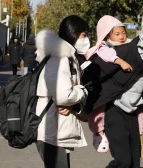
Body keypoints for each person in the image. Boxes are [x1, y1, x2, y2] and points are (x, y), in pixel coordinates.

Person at [83, 20, 143, 168]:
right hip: (114, 108)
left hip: (134, 111)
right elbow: (93, 74)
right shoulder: (124, 51)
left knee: (134, 162)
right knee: (123, 161)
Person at [35, 15, 89, 168]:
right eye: (83, 35)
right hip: (51, 128)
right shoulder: (60, 57)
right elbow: (64, 96)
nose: (86, 39)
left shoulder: (67, 56)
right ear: (73, 34)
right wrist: (82, 90)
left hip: (56, 128)